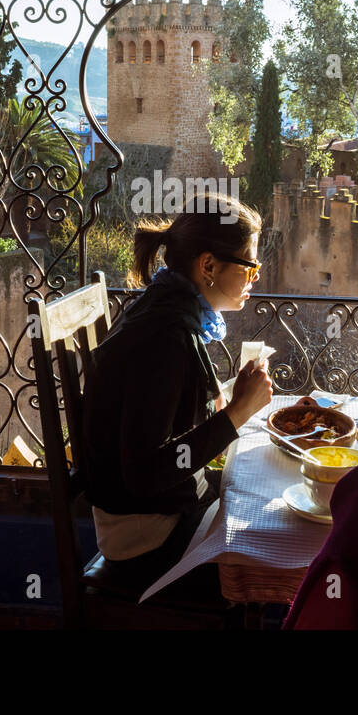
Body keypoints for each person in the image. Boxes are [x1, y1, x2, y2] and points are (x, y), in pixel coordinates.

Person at [80, 192, 273, 594]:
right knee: (270, 544)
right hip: (145, 535)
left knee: (261, 492)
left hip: (149, 513)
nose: (255, 279)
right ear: (208, 266)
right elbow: (145, 472)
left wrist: (222, 405)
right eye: (250, 268)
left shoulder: (167, 308)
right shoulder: (165, 337)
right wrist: (234, 414)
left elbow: (160, 416)